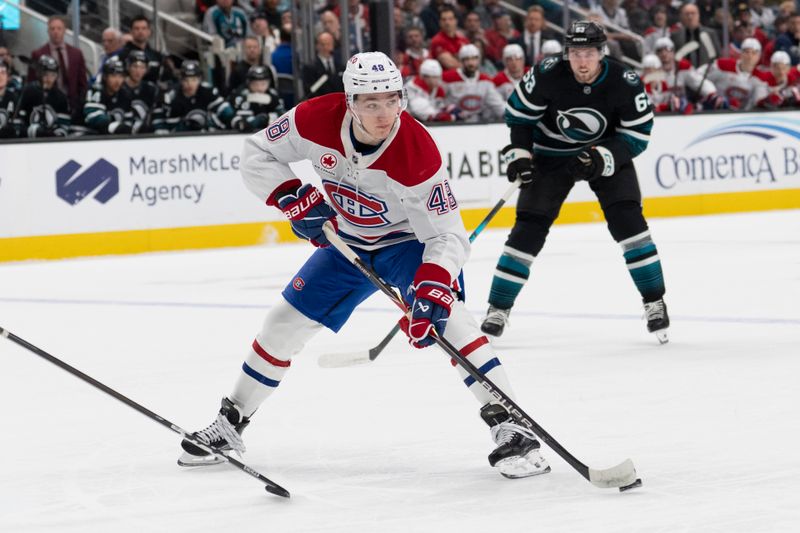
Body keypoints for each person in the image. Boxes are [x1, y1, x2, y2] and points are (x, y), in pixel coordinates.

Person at [176, 51, 550, 480]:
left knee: (453, 323)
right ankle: (231, 424)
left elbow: (446, 236)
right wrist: (290, 195)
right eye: (371, 103)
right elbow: (257, 153)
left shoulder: (416, 150)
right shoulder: (314, 118)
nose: (383, 113)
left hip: (406, 246)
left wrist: (431, 288)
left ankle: (511, 425)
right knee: (282, 323)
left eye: (392, 100)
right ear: (349, 101)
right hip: (345, 240)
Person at [480, 21, 670, 343]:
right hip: (551, 155)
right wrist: (522, 156)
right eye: (576, 53)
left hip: (604, 151)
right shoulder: (547, 73)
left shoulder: (625, 82)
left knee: (630, 224)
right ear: (568, 53)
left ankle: (654, 301)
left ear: (602, 53)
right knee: (528, 228)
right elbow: (520, 119)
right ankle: (498, 309)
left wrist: (602, 158)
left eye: (589, 53)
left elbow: (637, 136)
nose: (582, 61)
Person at [28, 15, 88, 115]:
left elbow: (82, 82)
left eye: (59, 28)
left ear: (65, 30)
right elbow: (32, 81)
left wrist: (80, 103)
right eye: (52, 29)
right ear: (48, 31)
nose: (56, 32)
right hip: (47, 105)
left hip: (73, 105)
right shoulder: (38, 54)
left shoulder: (76, 53)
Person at [151, 60, 233, 133]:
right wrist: (163, 134)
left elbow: (225, 110)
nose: (190, 84)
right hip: (179, 139)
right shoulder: (171, 95)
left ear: (199, 79)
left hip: (206, 138)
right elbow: (158, 118)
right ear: (181, 80)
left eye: (194, 80)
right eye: (186, 80)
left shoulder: (208, 92)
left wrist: (235, 120)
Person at [442, 44, 505, 122]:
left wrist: (511, 115)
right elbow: (438, 102)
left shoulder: (486, 81)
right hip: (454, 124)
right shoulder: (447, 78)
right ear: (461, 61)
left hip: (479, 124)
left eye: (473, 59)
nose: (470, 63)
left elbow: (497, 104)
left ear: (478, 60)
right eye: (467, 59)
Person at [16, 55, 71, 138]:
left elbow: (64, 127)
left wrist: (54, 135)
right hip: (27, 144)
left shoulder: (61, 97)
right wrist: (32, 131)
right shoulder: (28, 91)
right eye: (46, 74)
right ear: (39, 73)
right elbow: (17, 124)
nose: (49, 79)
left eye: (53, 75)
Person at [82, 56, 135, 135]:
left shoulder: (125, 94)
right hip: (85, 135)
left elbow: (128, 121)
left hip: (111, 137)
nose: (117, 81)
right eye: (113, 76)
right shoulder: (95, 90)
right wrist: (114, 126)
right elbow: (93, 118)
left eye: (121, 76)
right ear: (105, 77)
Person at [229, 64, 284, 132]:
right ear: (249, 83)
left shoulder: (273, 95)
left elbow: (283, 115)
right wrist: (258, 120)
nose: (259, 88)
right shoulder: (241, 95)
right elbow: (243, 122)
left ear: (269, 83)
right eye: (255, 84)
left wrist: (270, 117)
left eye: (263, 84)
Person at [124, 50, 160, 133]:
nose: (138, 71)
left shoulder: (151, 89)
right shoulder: (119, 87)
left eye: (142, 67)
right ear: (128, 67)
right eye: (135, 66)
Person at [0, 60, 21, 138]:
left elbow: (18, 126)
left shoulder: (14, 98)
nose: (0, 76)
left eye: (3, 73)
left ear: (8, 77)